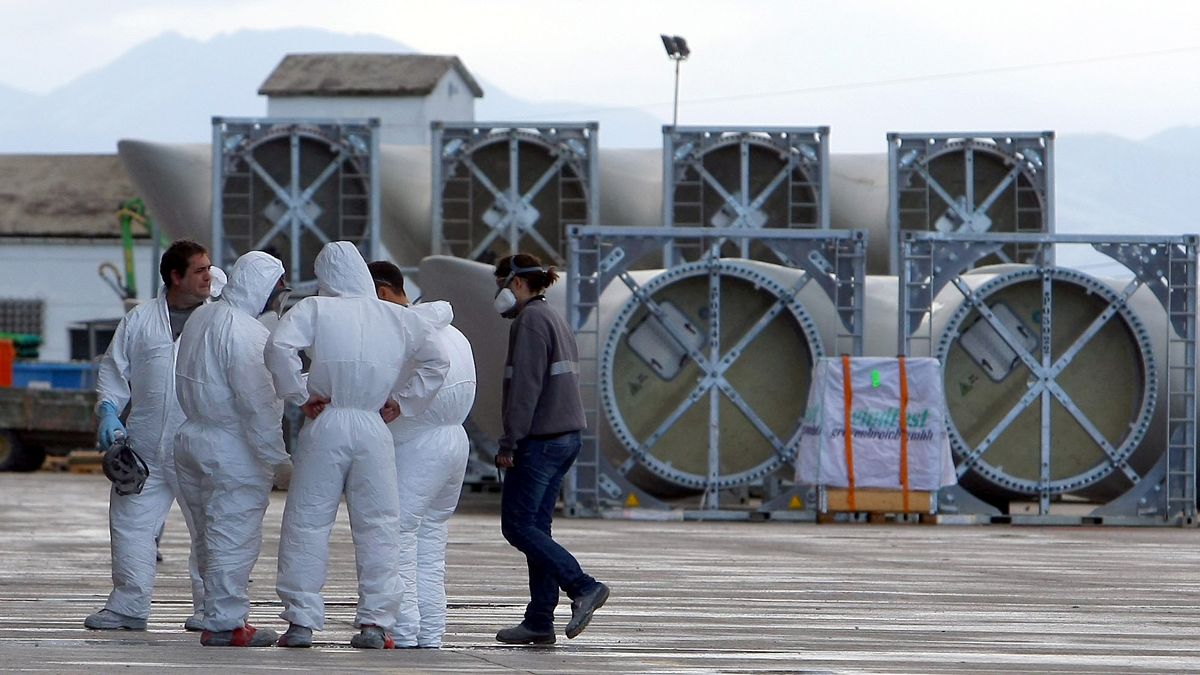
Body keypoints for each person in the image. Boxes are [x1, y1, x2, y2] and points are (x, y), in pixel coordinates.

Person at [265, 241, 449, 650]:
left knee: (308, 522)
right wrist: (404, 402)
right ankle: (374, 623)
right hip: (372, 424)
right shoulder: (397, 317)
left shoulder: (314, 309)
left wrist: (298, 394)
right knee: (379, 524)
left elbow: (278, 347)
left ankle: (301, 622)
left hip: (326, 421)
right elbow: (437, 360)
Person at [86, 240, 210, 632]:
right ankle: (128, 606)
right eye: (199, 270)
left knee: (212, 528)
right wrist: (108, 409)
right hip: (144, 447)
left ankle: (215, 610)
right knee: (131, 525)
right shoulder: (140, 320)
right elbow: (114, 369)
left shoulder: (220, 320)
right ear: (175, 276)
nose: (209, 276)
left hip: (199, 444)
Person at [174, 251, 292, 647]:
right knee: (233, 534)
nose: (280, 298)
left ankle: (215, 612)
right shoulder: (247, 334)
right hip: (232, 449)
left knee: (209, 536)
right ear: (262, 288)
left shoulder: (204, 316)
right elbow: (259, 406)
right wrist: (278, 460)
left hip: (192, 438)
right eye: (279, 289)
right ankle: (226, 624)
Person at [491, 253, 609, 645]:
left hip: (540, 440)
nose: (499, 293)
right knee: (537, 528)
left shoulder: (529, 322)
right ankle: (540, 620)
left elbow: (525, 389)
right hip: (565, 437)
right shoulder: (553, 316)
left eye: (502, 284)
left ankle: (582, 586)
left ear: (517, 284)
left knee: (518, 526)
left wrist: (510, 442)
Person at [369, 260, 476, 649]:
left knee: (398, 534)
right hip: (454, 444)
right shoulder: (454, 333)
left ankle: (404, 628)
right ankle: (430, 629)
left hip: (416, 445)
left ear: (381, 293)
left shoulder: (404, 335)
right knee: (431, 540)